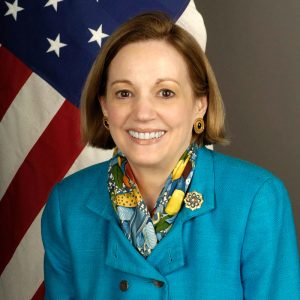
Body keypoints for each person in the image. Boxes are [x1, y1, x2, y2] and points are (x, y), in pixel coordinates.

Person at [42, 12, 300, 299]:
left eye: (165, 93)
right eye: (124, 93)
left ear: (199, 105)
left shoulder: (256, 200)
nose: (142, 113)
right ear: (104, 106)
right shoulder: (68, 205)